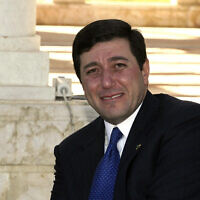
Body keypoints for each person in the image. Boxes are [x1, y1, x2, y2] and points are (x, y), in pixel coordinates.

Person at [50, 19, 200, 200]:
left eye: (119, 66)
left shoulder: (186, 125)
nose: (106, 82)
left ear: (144, 71)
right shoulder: (70, 151)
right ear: (82, 84)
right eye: (93, 71)